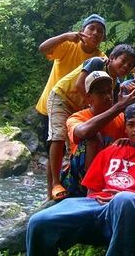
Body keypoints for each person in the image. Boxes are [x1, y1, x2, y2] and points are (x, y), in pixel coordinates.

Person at [26, 103, 135, 256]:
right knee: (38, 221)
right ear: (125, 128)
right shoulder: (110, 151)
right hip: (97, 206)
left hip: (134, 208)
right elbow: (92, 190)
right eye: (131, 125)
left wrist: (122, 197)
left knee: (124, 199)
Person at [46, 44, 135, 200]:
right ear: (111, 58)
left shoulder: (115, 82)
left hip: (88, 108)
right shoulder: (98, 62)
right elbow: (79, 85)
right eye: (123, 61)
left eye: (129, 66)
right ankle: (55, 185)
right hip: (62, 97)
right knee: (58, 137)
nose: (125, 66)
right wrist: (96, 108)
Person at [36, 14, 107, 199]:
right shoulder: (69, 46)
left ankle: (65, 188)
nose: (95, 33)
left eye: (100, 31)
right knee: (55, 143)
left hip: (77, 109)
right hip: (53, 103)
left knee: (71, 149)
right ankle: (51, 191)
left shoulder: (101, 58)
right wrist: (66, 36)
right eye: (91, 28)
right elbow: (43, 48)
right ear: (83, 30)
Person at [61, 71, 135, 196]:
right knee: (93, 135)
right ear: (89, 97)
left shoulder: (122, 118)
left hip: (112, 171)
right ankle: (91, 189)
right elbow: (83, 132)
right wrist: (119, 107)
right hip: (80, 178)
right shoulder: (77, 117)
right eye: (101, 93)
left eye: (108, 91)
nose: (107, 96)